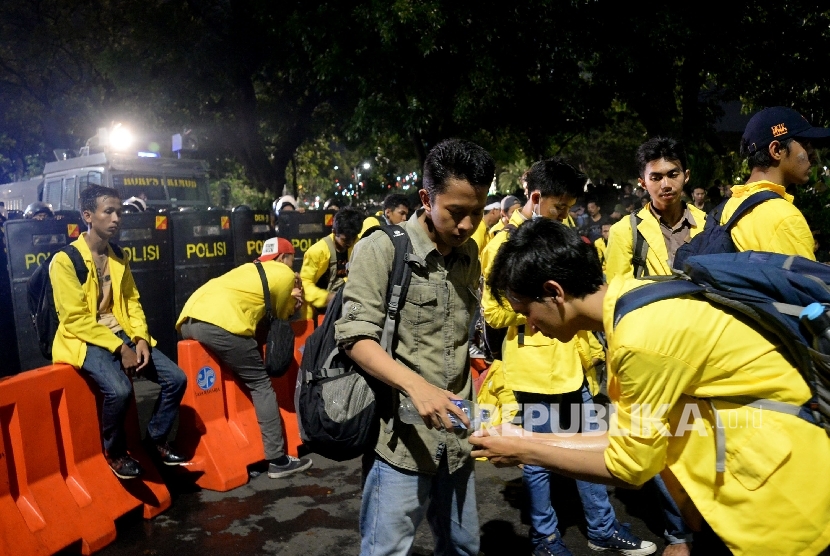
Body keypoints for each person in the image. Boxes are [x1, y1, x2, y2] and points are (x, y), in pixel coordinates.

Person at [473, 218, 830, 555]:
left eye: (527, 313)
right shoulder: (637, 297)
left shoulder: (638, 340)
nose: (531, 328)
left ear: (554, 292)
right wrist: (525, 437)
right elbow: (629, 437)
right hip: (753, 492)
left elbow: (629, 467)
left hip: (779, 512)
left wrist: (527, 452)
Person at [481, 159, 653, 556]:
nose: (568, 215)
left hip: (578, 360)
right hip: (534, 366)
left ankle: (601, 527)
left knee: (590, 439)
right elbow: (493, 312)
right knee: (536, 455)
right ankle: (546, 538)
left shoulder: (563, 231)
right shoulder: (501, 243)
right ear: (537, 198)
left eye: (571, 207)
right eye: (561, 207)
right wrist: (534, 308)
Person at [335, 138, 494, 556]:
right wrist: (414, 385)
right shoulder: (382, 248)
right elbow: (354, 337)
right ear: (426, 198)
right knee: (387, 550)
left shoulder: (470, 251)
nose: (466, 225)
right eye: (455, 212)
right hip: (400, 442)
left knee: (464, 546)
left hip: (458, 436)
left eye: (476, 213)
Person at [50, 186, 187, 479]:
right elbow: (74, 319)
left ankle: (155, 440)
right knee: (120, 390)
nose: (116, 218)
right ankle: (114, 452)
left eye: (119, 212)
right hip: (84, 339)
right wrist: (119, 347)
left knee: (176, 378)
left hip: (122, 333)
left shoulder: (117, 255)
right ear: (88, 216)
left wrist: (139, 338)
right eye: (108, 211)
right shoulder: (65, 260)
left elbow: (132, 302)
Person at [177, 237, 312, 478]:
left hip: (189, 319)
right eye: (292, 260)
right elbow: (283, 318)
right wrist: (295, 301)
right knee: (261, 384)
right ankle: (278, 460)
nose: (292, 265)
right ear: (284, 258)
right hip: (219, 324)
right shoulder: (284, 274)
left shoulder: (248, 268)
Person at [719, 106, 830, 260]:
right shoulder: (786, 219)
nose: (812, 154)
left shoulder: (732, 205)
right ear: (776, 150)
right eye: (805, 144)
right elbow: (806, 282)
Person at [605, 137, 707, 281]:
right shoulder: (624, 231)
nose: (666, 184)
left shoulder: (708, 224)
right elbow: (618, 293)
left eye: (673, 175)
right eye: (656, 178)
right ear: (643, 183)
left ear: (686, 176)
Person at [301, 207, 363, 318]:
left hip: (344, 308)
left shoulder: (357, 244)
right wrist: (327, 297)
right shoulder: (317, 252)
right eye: (345, 239)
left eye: (353, 238)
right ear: (334, 232)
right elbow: (304, 284)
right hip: (319, 313)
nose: (350, 243)